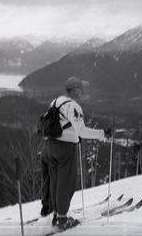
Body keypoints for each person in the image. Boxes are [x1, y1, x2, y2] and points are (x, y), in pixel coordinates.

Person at [48, 76, 111, 229]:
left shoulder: (55, 102)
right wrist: (103, 134)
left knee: (56, 181)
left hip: (50, 145)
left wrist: (72, 134)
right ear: (75, 90)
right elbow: (81, 131)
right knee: (67, 183)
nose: (82, 92)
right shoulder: (73, 106)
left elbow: (61, 125)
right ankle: (63, 221)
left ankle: (56, 214)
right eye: (81, 89)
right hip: (66, 149)